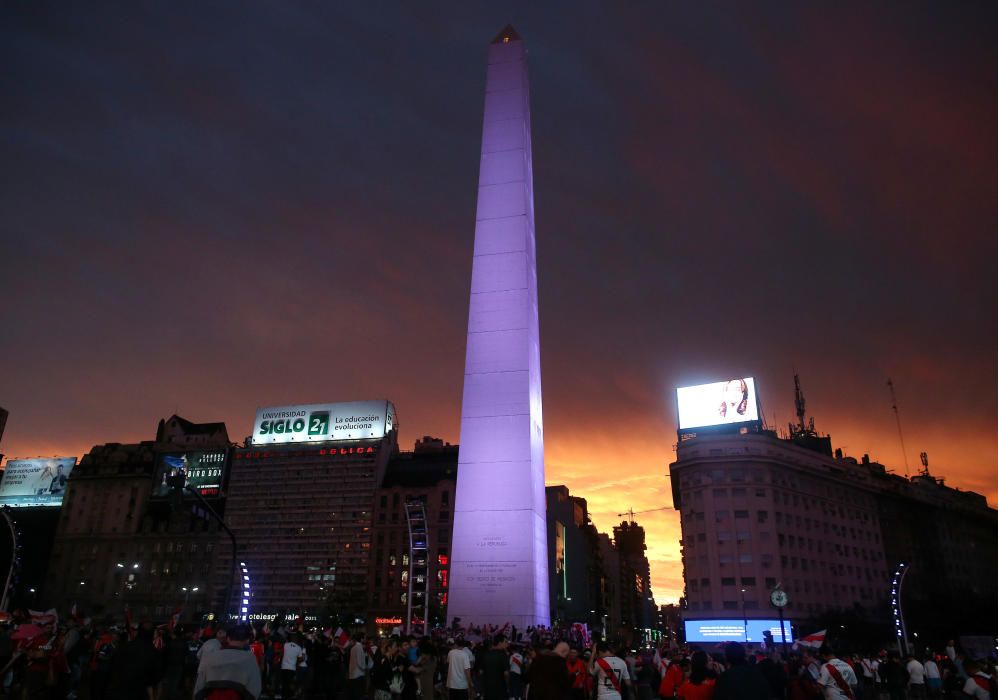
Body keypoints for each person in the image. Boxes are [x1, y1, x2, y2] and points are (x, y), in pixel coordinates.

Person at [193, 623, 262, 699]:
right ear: (247, 640)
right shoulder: (250, 658)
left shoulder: (211, 656)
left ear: (228, 638)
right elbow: (255, 689)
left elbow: (199, 687)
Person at [482, 635, 510, 700]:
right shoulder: (503, 655)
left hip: (488, 689)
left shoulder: (486, 654)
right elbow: (506, 674)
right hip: (500, 690)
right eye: (505, 642)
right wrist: (508, 686)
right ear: (500, 643)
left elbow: (481, 672)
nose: (507, 644)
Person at [348, 633, 373, 700]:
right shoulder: (359, 647)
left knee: (355, 695)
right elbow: (360, 662)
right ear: (361, 639)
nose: (366, 639)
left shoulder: (353, 648)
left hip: (353, 675)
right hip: (358, 675)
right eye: (365, 638)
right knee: (359, 695)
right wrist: (365, 669)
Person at [282, 633, 304, 699]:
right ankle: (289, 696)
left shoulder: (285, 645)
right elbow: (301, 659)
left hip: (284, 667)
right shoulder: (298, 648)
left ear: (291, 639)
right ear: (296, 639)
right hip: (292, 668)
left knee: (284, 683)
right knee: (290, 684)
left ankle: (285, 696)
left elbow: (281, 652)